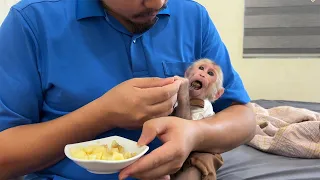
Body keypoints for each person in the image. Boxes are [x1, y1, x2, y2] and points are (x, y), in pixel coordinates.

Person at [0, 0, 256, 179]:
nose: (157, 3)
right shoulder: (31, 21)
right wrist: (102, 115)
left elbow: (243, 116)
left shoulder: (193, 16)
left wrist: (195, 134)